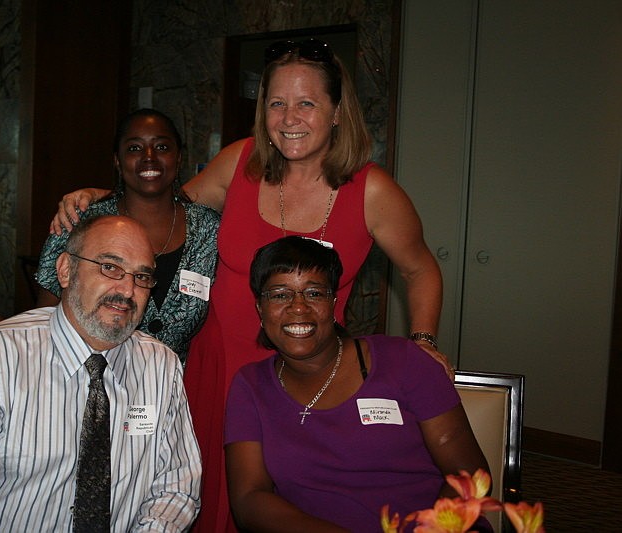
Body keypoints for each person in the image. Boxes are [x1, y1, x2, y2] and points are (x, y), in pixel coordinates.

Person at [51, 39, 446, 531]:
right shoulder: (241, 164)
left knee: (289, 505)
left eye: (306, 103)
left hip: (306, 377)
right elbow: (163, 209)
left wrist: (424, 340)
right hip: (217, 368)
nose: (289, 117)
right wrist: (102, 198)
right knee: (202, 498)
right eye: (277, 103)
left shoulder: (372, 191)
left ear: (338, 112)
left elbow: (420, 269)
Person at [0, 215, 202, 531]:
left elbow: (178, 484)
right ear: (66, 270)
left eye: (142, 276)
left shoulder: (160, 365)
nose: (127, 290)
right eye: (110, 268)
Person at [224, 236, 489, 532]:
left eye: (314, 293)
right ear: (260, 308)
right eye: (280, 295)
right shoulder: (250, 385)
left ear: (334, 303)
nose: (299, 307)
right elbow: (249, 498)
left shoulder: (403, 361)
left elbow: (470, 476)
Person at [35, 108, 220, 363]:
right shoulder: (80, 221)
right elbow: (43, 317)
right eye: (134, 148)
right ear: (117, 161)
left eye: (162, 147)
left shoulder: (209, 230)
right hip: (83, 383)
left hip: (173, 389)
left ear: (178, 159)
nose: (149, 157)